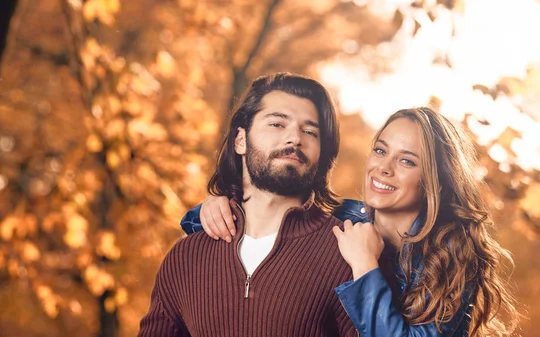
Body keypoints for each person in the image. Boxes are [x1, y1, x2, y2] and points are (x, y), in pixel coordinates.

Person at [187, 107, 520, 336]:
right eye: (380, 150)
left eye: (406, 160)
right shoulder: (336, 217)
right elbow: (240, 226)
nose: (383, 168)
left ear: (436, 180)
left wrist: (364, 265)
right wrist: (212, 209)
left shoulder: (454, 257)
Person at [138, 72, 358, 337]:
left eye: (309, 131)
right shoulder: (186, 256)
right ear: (240, 140)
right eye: (277, 124)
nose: (295, 139)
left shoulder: (347, 254)